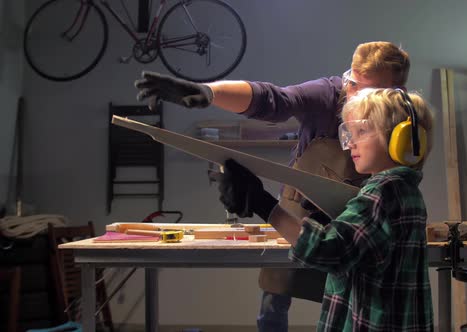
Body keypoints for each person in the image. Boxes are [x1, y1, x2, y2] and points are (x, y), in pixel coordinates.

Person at [135, 41, 411, 331]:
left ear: (396, 94)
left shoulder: (398, 122)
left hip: (352, 216)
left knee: (347, 301)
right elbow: (275, 99)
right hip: (298, 209)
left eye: (368, 91)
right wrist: (211, 93)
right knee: (273, 302)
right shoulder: (329, 94)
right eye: (352, 83)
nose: (354, 95)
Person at [211, 87, 435, 331]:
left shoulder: (382, 192)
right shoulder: (405, 189)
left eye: (361, 131)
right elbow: (362, 250)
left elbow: (327, 251)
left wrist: (262, 203)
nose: (350, 144)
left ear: (399, 139)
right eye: (349, 133)